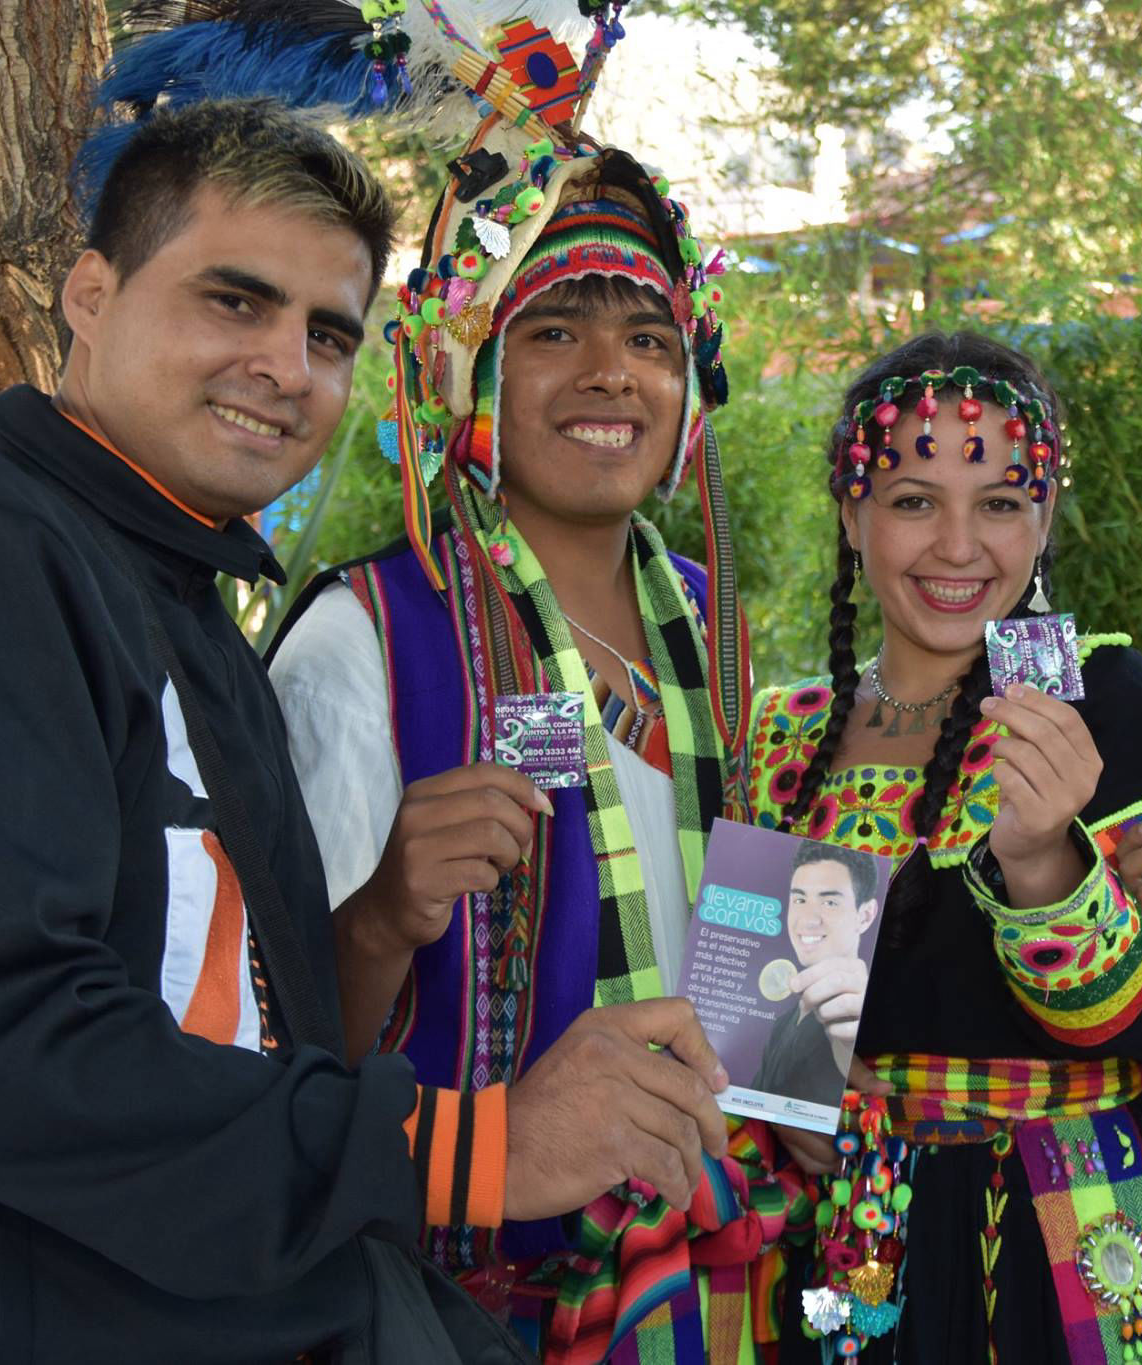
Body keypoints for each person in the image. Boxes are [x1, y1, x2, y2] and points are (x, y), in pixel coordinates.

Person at [0, 97, 707, 1362]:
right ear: (90, 294)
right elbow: (9, 1045)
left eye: (326, 333)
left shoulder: (187, 618)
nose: (284, 366)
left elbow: (252, 1035)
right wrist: (477, 1147)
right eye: (235, 301)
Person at [261, 99, 789, 1365]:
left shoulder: (711, 629)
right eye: (553, 330)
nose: (612, 372)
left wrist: (804, 1102)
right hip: (477, 1297)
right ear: (466, 369)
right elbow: (273, 1065)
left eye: (649, 338)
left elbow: (762, 964)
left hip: (726, 1262)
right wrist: (385, 912)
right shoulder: (367, 640)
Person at [742, 331, 1142, 1363]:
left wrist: (1037, 860)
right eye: (913, 500)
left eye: (1001, 504)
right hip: (862, 1222)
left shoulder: (1105, 699)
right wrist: (785, 1095)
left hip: (1086, 1210)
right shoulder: (783, 735)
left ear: (1045, 517)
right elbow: (750, 1021)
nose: (957, 546)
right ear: (851, 515)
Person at [751, 842, 882, 1107]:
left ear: (865, 916)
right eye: (799, 900)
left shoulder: (871, 1014)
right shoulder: (782, 1025)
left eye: (830, 902)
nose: (808, 919)